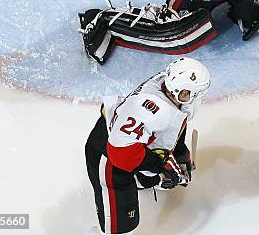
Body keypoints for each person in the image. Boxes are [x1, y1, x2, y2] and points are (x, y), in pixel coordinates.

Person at [85, 57, 211, 234]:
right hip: (109, 160)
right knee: (121, 227)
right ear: (180, 91)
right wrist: (160, 163)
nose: (195, 98)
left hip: (130, 147)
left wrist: (178, 153)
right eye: (192, 93)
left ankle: (146, 177)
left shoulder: (167, 85)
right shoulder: (153, 109)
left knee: (149, 175)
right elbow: (120, 154)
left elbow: (173, 124)